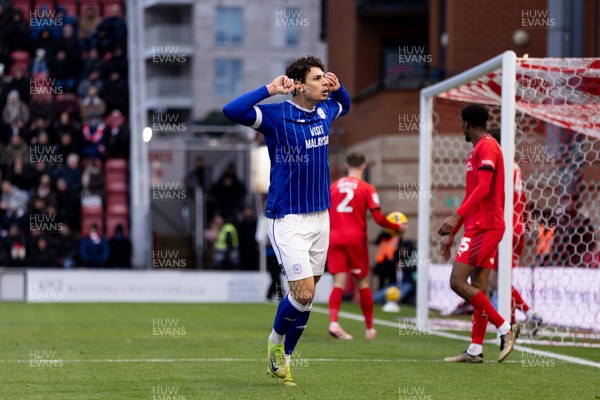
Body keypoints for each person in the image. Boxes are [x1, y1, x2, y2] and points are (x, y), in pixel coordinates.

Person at [223, 55, 350, 386]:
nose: (325, 83)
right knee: (304, 293)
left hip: (320, 215)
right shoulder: (277, 116)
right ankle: (275, 343)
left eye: (326, 77)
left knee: (307, 293)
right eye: (318, 78)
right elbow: (231, 111)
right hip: (287, 217)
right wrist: (269, 89)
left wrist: (341, 88)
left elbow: (345, 106)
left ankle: (286, 357)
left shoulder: (325, 110)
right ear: (299, 85)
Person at [438, 104, 518, 363]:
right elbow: (474, 192)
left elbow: (484, 189)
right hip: (477, 226)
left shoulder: (488, 146)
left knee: (457, 282)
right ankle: (475, 349)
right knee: (479, 288)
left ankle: (505, 329)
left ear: (465, 124)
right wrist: (455, 231)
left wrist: (455, 216)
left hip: (486, 226)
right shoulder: (478, 149)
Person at [327, 152, 402, 340]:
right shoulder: (368, 188)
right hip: (355, 239)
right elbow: (377, 218)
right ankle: (369, 329)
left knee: (339, 283)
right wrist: (396, 227)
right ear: (364, 166)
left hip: (334, 237)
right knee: (362, 282)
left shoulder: (333, 187)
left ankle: (334, 323)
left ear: (346, 166)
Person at [488, 131, 542, 333]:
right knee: (498, 280)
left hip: (504, 227)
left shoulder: (498, 164)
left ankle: (514, 323)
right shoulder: (515, 165)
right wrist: (526, 225)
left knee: (498, 280)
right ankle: (522, 317)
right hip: (517, 226)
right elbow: (524, 201)